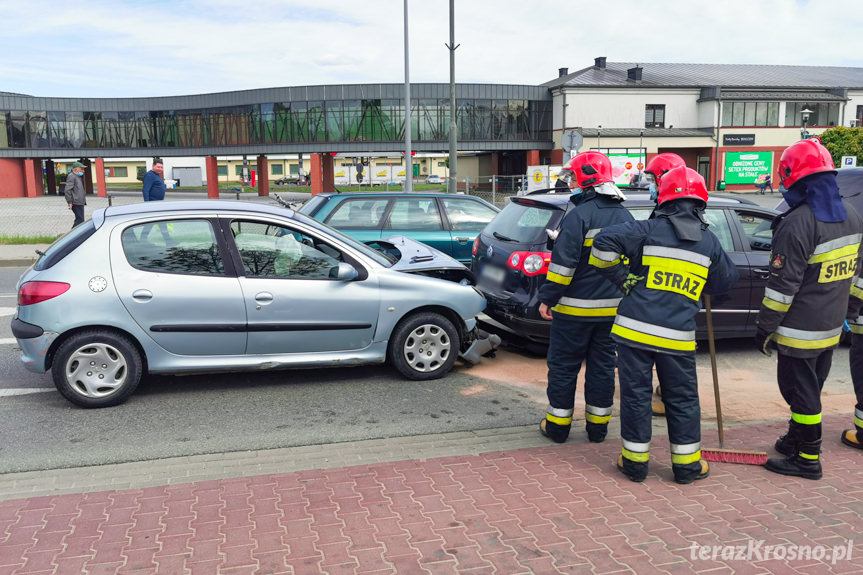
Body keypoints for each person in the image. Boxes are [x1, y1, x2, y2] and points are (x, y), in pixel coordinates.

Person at [591, 167, 738, 484]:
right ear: (700, 204)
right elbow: (726, 282)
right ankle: (686, 468)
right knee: (682, 400)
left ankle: (634, 464)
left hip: (633, 331)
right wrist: (699, 286)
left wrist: (623, 279)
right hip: (677, 338)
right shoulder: (709, 242)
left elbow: (601, 246)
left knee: (635, 397)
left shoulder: (645, 229)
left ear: (664, 200)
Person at [756, 138, 863, 480]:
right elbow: (856, 274)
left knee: (799, 394)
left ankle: (806, 459)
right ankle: (794, 440)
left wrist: (766, 327)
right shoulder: (852, 216)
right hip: (832, 327)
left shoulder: (798, 222)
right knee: (811, 388)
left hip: (799, 330)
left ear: (794, 178)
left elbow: (782, 288)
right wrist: (850, 312)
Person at [538, 151, 634, 444]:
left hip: (573, 313)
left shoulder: (579, 215)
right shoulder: (625, 215)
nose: (571, 185)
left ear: (586, 180)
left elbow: (562, 267)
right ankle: (598, 429)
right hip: (611, 313)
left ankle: (557, 427)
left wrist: (548, 299)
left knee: (564, 367)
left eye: (574, 178)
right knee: (603, 368)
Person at [642, 153, 687, 417]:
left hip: (670, 292)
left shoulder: (676, 212)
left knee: (666, 351)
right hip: (667, 291)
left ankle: (671, 398)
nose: (649, 184)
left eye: (652, 179)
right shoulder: (664, 208)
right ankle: (667, 391)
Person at [63, 162, 87, 228]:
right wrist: (70, 202)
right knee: (80, 220)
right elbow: (67, 190)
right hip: (76, 202)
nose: (83, 171)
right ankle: (72, 236)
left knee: (80, 220)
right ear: (76, 169)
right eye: (82, 169)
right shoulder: (72, 176)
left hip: (80, 202)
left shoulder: (78, 177)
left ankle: (77, 235)